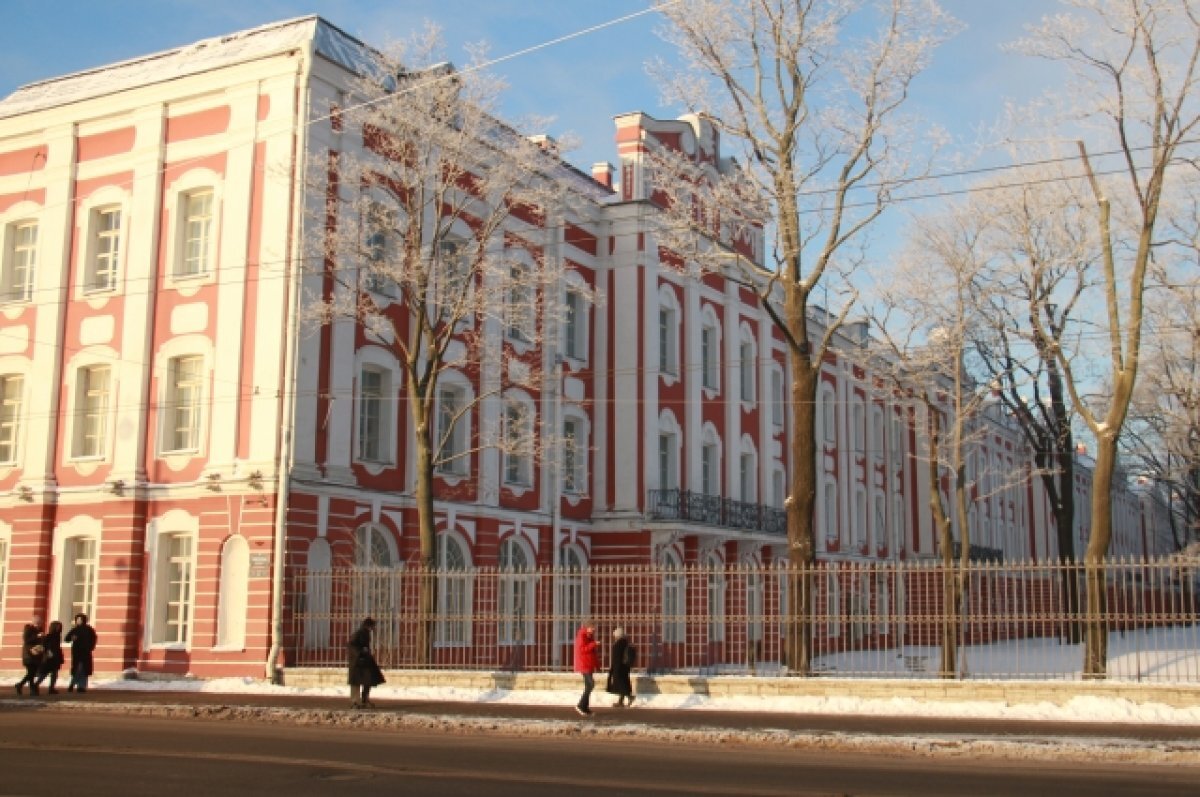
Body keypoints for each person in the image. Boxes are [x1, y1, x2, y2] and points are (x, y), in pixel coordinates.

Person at [346, 617, 384, 708]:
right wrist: (360, 652)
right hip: (357, 662)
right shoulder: (359, 633)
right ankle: (355, 701)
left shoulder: (366, 633)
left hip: (365, 661)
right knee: (356, 682)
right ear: (368, 626)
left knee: (369, 680)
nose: (373, 628)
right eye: (373, 626)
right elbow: (351, 644)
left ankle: (364, 699)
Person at [65, 613, 98, 693]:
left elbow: (94, 639)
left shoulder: (89, 629)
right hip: (77, 652)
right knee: (77, 669)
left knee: (84, 670)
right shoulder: (75, 629)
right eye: (77, 619)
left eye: (80, 619)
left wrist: (91, 647)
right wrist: (72, 638)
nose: (78, 621)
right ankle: (72, 684)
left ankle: (81, 686)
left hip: (86, 652)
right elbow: (67, 638)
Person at [573, 621, 599, 716]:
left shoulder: (589, 636)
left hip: (588, 664)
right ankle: (580, 705)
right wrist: (593, 644)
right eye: (593, 627)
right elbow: (582, 649)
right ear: (588, 627)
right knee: (590, 684)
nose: (594, 630)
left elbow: (592, 653)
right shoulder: (582, 636)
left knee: (589, 685)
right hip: (584, 664)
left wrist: (596, 665)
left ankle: (585, 707)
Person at [606, 626, 636, 707]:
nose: (614, 636)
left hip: (619, 666)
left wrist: (614, 668)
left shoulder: (619, 644)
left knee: (620, 683)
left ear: (618, 635)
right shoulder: (625, 642)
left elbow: (617, 657)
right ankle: (620, 701)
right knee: (623, 682)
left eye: (615, 635)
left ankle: (630, 697)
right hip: (625, 666)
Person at [14, 614, 44, 696]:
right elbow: (26, 640)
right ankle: (21, 685)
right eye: (39, 622)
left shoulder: (39, 630)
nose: (40, 624)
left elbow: (40, 642)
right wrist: (37, 636)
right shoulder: (28, 629)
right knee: (31, 673)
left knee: (32, 673)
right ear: (35, 622)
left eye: (40, 622)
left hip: (36, 654)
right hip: (29, 654)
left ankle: (31, 690)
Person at [34, 620, 65, 694]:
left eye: (60, 627)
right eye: (58, 627)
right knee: (46, 673)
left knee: (54, 673)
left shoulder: (57, 636)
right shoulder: (50, 636)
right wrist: (48, 652)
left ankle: (51, 688)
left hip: (55, 656)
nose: (59, 628)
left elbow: (56, 647)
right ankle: (36, 685)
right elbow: (45, 645)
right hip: (50, 656)